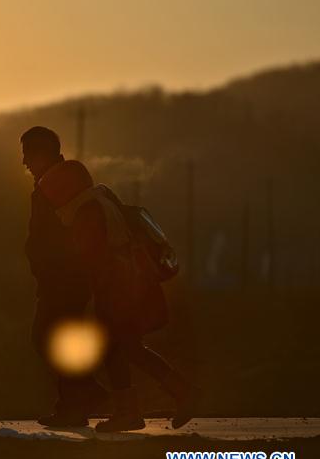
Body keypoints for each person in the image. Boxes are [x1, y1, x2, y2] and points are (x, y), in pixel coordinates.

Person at [34, 135, 202, 432]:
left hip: (116, 290)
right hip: (127, 286)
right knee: (129, 347)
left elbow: (92, 258)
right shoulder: (100, 199)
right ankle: (178, 393)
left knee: (115, 347)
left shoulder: (86, 213)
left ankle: (131, 411)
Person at [21, 126, 107, 427]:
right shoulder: (65, 181)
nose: (24, 163)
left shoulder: (55, 186)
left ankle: (81, 398)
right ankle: (76, 403)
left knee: (48, 337)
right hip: (69, 278)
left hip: (62, 279)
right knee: (57, 338)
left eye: (28, 155)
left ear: (41, 154)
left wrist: (44, 266)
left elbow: (52, 237)